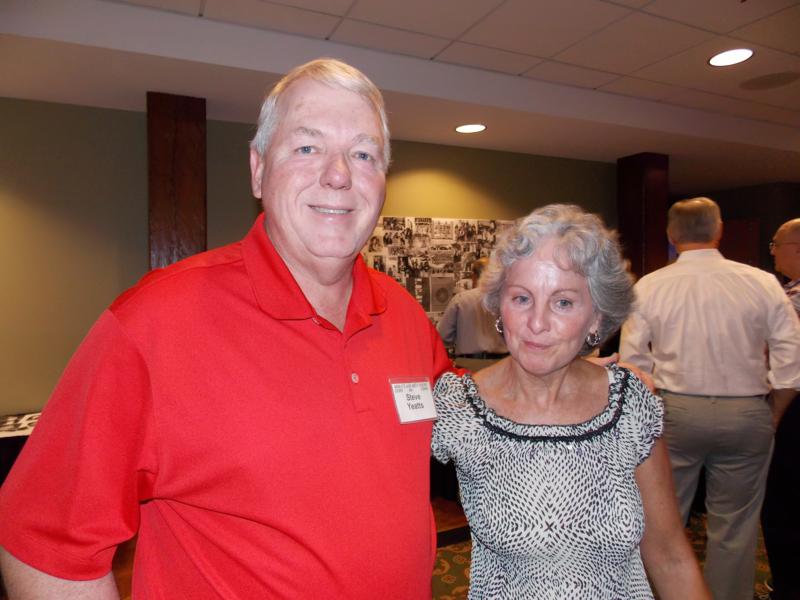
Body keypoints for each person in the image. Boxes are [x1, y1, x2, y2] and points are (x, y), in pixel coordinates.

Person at [0, 58, 451, 598]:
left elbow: (472, 420)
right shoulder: (154, 323)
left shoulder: (403, 315)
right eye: (307, 147)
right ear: (258, 170)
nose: (339, 174)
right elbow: (41, 543)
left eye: (363, 154)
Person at [432, 204, 709, 599]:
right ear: (499, 305)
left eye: (563, 302)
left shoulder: (629, 405)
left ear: (596, 317)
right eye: (521, 298)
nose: (537, 323)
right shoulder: (460, 409)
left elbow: (670, 558)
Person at [619, 198, 800, 600]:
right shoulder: (761, 282)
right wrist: (774, 413)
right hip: (747, 411)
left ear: (671, 235)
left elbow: (633, 361)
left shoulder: (650, 286)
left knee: (663, 519)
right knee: (736, 525)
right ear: (719, 230)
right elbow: (791, 357)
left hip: (675, 411)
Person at [761, 218, 800, 600]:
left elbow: (782, 357)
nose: (771, 250)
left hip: (795, 407)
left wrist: (775, 413)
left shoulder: (791, 300)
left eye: (777, 243)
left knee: (784, 504)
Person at [437, 257, 508, 359]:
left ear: (474, 276)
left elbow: (443, 335)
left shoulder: (460, 299)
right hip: (501, 362)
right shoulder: (504, 300)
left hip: (468, 363)